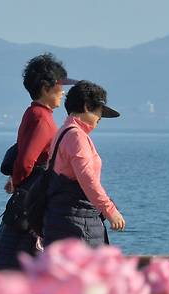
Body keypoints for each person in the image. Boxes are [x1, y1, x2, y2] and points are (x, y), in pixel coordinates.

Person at [0, 53, 75, 270]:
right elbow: (27, 160)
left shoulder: (33, 112)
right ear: (46, 89)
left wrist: (14, 179)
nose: (63, 92)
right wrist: (17, 182)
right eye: (59, 87)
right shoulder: (42, 119)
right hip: (31, 196)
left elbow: (22, 151)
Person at [43, 80, 125, 248]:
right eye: (99, 111)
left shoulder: (64, 131)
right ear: (87, 106)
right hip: (77, 223)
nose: (100, 117)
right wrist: (109, 210)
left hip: (61, 217)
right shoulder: (77, 137)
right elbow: (87, 178)